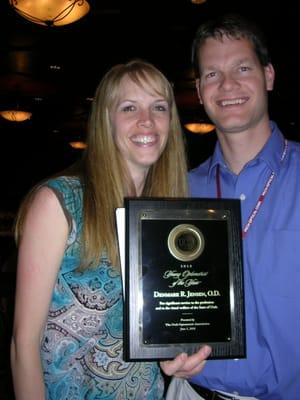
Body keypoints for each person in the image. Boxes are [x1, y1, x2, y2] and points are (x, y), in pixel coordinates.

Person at [10, 59, 211, 400]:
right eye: (129, 107)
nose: (146, 120)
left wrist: (170, 358)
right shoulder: (59, 203)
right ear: (106, 120)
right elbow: (23, 346)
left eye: (158, 107)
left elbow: (147, 331)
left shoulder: (165, 216)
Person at [186, 13, 300, 400]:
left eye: (242, 67)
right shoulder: (177, 192)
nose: (228, 84)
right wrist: (164, 347)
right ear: (200, 91)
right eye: (212, 74)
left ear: (268, 76)